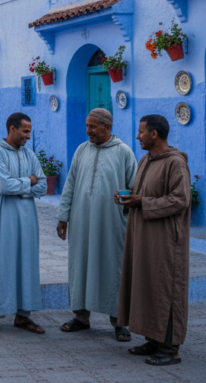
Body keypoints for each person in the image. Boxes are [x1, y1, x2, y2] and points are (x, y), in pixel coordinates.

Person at [56, 108, 137, 341]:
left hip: (111, 224)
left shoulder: (123, 152)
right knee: (79, 266)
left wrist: (126, 199)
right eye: (87, 126)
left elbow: (135, 187)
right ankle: (81, 317)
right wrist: (63, 217)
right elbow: (70, 184)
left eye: (92, 126)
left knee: (114, 268)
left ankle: (119, 322)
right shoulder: (82, 150)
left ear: (107, 127)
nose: (87, 130)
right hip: (81, 222)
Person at [117, 114, 191, 367]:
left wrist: (143, 202)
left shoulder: (175, 163)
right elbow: (143, 192)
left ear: (154, 134)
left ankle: (170, 349)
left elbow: (180, 199)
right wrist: (129, 198)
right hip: (142, 235)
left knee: (165, 288)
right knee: (146, 284)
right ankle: (153, 339)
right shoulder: (146, 159)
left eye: (140, 132)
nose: (137, 136)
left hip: (165, 239)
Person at [0, 112, 47, 336]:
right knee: (0, 263)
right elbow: (4, 187)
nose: (28, 136)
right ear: (12, 129)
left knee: (26, 265)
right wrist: (28, 181)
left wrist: (21, 186)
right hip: (2, 218)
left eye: (29, 131)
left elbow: (43, 186)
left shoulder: (30, 155)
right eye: (25, 131)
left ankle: (23, 316)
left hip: (28, 220)